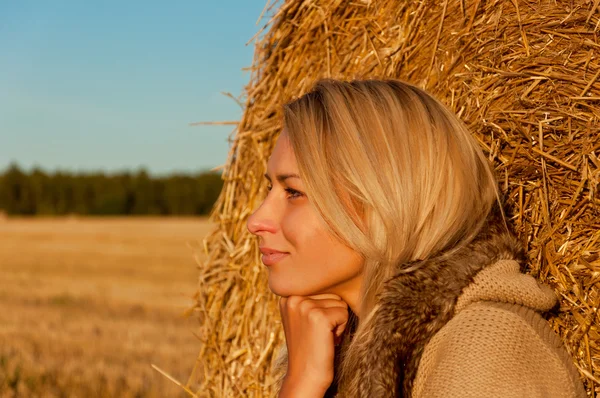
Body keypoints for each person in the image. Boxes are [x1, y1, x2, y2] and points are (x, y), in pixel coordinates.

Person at [246, 79, 586, 398]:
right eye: (269, 188)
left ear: (385, 200)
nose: (255, 220)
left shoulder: (483, 351)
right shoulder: (342, 345)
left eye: (293, 191)